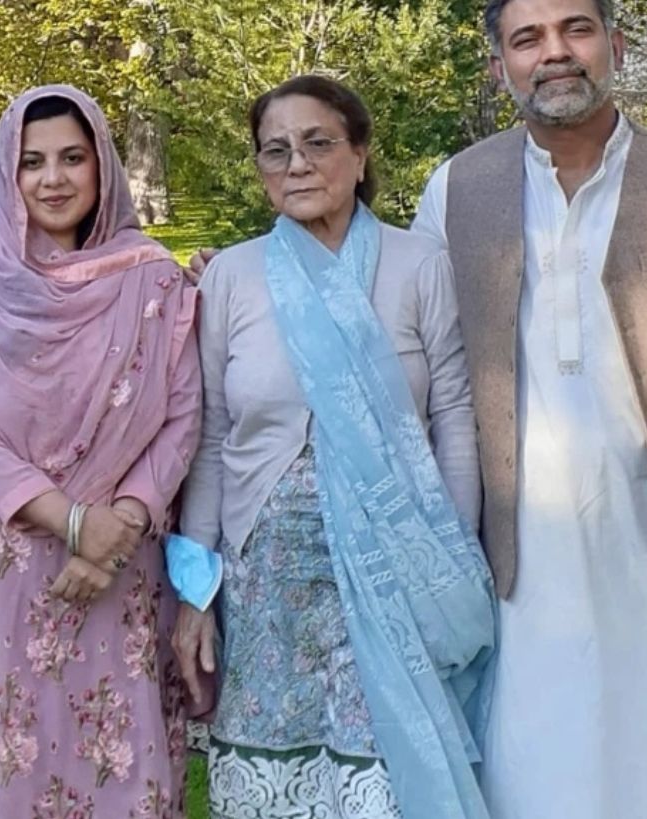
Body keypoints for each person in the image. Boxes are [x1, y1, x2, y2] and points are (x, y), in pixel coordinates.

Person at [409, 0, 647, 816]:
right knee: (539, 769)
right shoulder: (455, 190)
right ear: (500, 66)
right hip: (523, 553)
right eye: (528, 39)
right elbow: (414, 347)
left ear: (615, 44)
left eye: (575, 29)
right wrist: (230, 291)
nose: (554, 52)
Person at [170, 75, 495, 819]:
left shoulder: (419, 266)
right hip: (267, 582)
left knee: (384, 783)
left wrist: (452, 554)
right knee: (276, 780)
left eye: (318, 143)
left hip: (397, 569)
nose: (297, 164)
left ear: (360, 153)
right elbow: (211, 434)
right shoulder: (232, 276)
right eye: (275, 150)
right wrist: (196, 590)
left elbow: (454, 416)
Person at [0, 86, 201, 818]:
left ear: (103, 165)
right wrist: (73, 521)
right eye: (31, 162)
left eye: (73, 158)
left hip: (118, 567)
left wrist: (119, 525)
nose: (53, 179)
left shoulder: (151, 278)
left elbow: (180, 416)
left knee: (123, 768)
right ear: (7, 174)